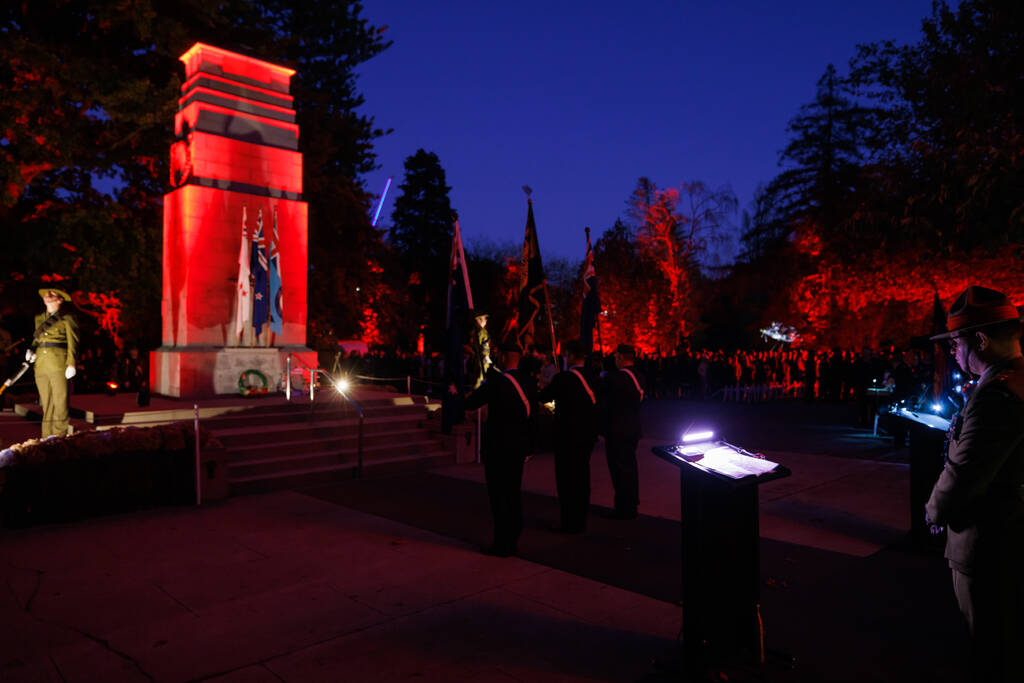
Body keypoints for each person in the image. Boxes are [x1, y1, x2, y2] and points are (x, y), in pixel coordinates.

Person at [925, 285, 1024, 683]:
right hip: (1009, 537)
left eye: (955, 342)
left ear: (979, 339)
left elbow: (964, 475)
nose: (952, 352)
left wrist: (934, 509)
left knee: (991, 653)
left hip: (989, 544)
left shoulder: (996, 394)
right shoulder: (1014, 380)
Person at [464, 344, 541, 556]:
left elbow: (471, 403)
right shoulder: (529, 381)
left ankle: (502, 543)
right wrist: (530, 446)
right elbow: (533, 417)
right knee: (513, 493)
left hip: (498, 448)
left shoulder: (497, 382)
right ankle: (514, 537)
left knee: (499, 496)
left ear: (504, 357)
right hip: (518, 446)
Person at [537, 339, 599, 533]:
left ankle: (568, 521)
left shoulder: (563, 378)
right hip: (587, 434)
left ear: (571, 356)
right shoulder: (594, 376)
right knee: (583, 476)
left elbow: (544, 397)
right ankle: (581, 519)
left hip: (566, 435)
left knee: (566, 479)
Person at [600, 343, 645, 519]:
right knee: (630, 467)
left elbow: (605, 402)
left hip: (616, 429)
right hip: (633, 428)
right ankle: (632, 502)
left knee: (618, 470)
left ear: (619, 357)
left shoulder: (613, 378)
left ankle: (623, 507)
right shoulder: (640, 377)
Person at [29, 286, 79, 437]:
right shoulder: (38, 318)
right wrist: (31, 350)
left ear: (60, 299)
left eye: (52, 293)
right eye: (46, 294)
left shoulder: (67, 318)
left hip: (58, 363)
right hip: (41, 365)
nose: (48, 295)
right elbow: (37, 339)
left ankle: (58, 437)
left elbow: (73, 342)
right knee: (46, 404)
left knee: (60, 402)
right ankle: (46, 437)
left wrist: (71, 363)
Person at [468, 310, 491, 389]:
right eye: (484, 318)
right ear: (479, 319)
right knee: (480, 381)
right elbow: (484, 349)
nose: (486, 320)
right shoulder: (483, 332)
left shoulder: (474, 332)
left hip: (477, 360)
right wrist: (487, 360)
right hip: (482, 360)